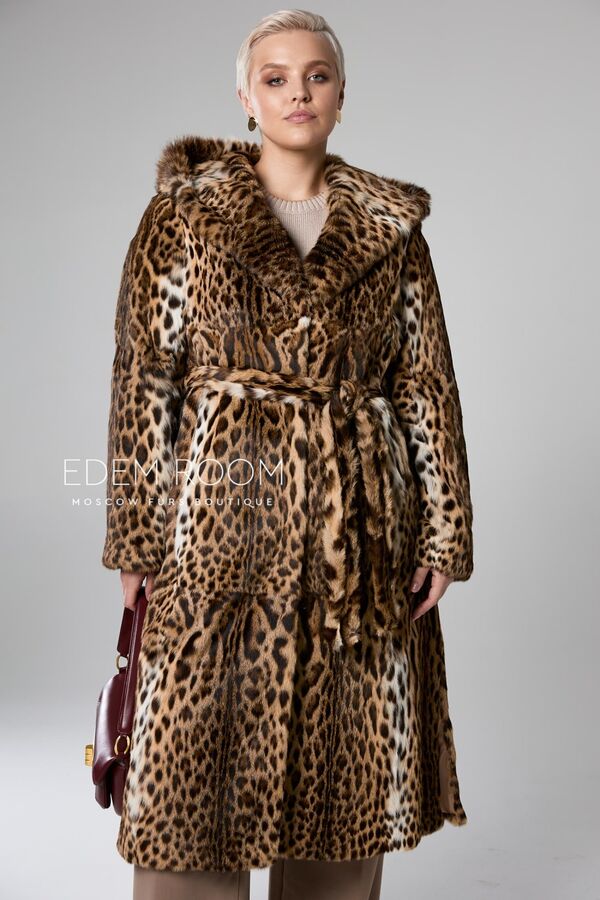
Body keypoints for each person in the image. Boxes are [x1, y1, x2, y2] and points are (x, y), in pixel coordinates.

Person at [101, 9, 474, 900]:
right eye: (275, 77)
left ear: (341, 95)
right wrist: (137, 539)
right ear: (246, 96)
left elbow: (426, 383)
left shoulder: (393, 231)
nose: (297, 92)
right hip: (220, 528)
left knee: (344, 783)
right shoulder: (182, 217)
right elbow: (145, 383)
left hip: (361, 537)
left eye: (316, 75)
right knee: (193, 785)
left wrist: (444, 532)